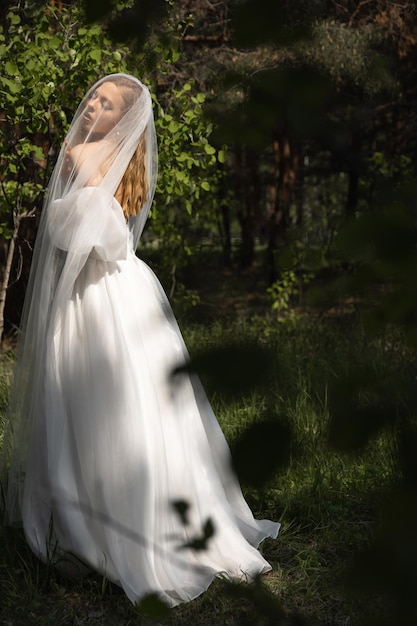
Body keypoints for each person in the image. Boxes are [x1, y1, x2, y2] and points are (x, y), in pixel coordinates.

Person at [1, 74, 279, 607]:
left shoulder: (83, 158)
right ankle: (93, 512)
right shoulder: (122, 167)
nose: (92, 108)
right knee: (110, 401)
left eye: (107, 104)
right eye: (94, 98)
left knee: (114, 402)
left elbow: (82, 236)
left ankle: (110, 521)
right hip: (115, 289)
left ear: (123, 119)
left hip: (105, 296)